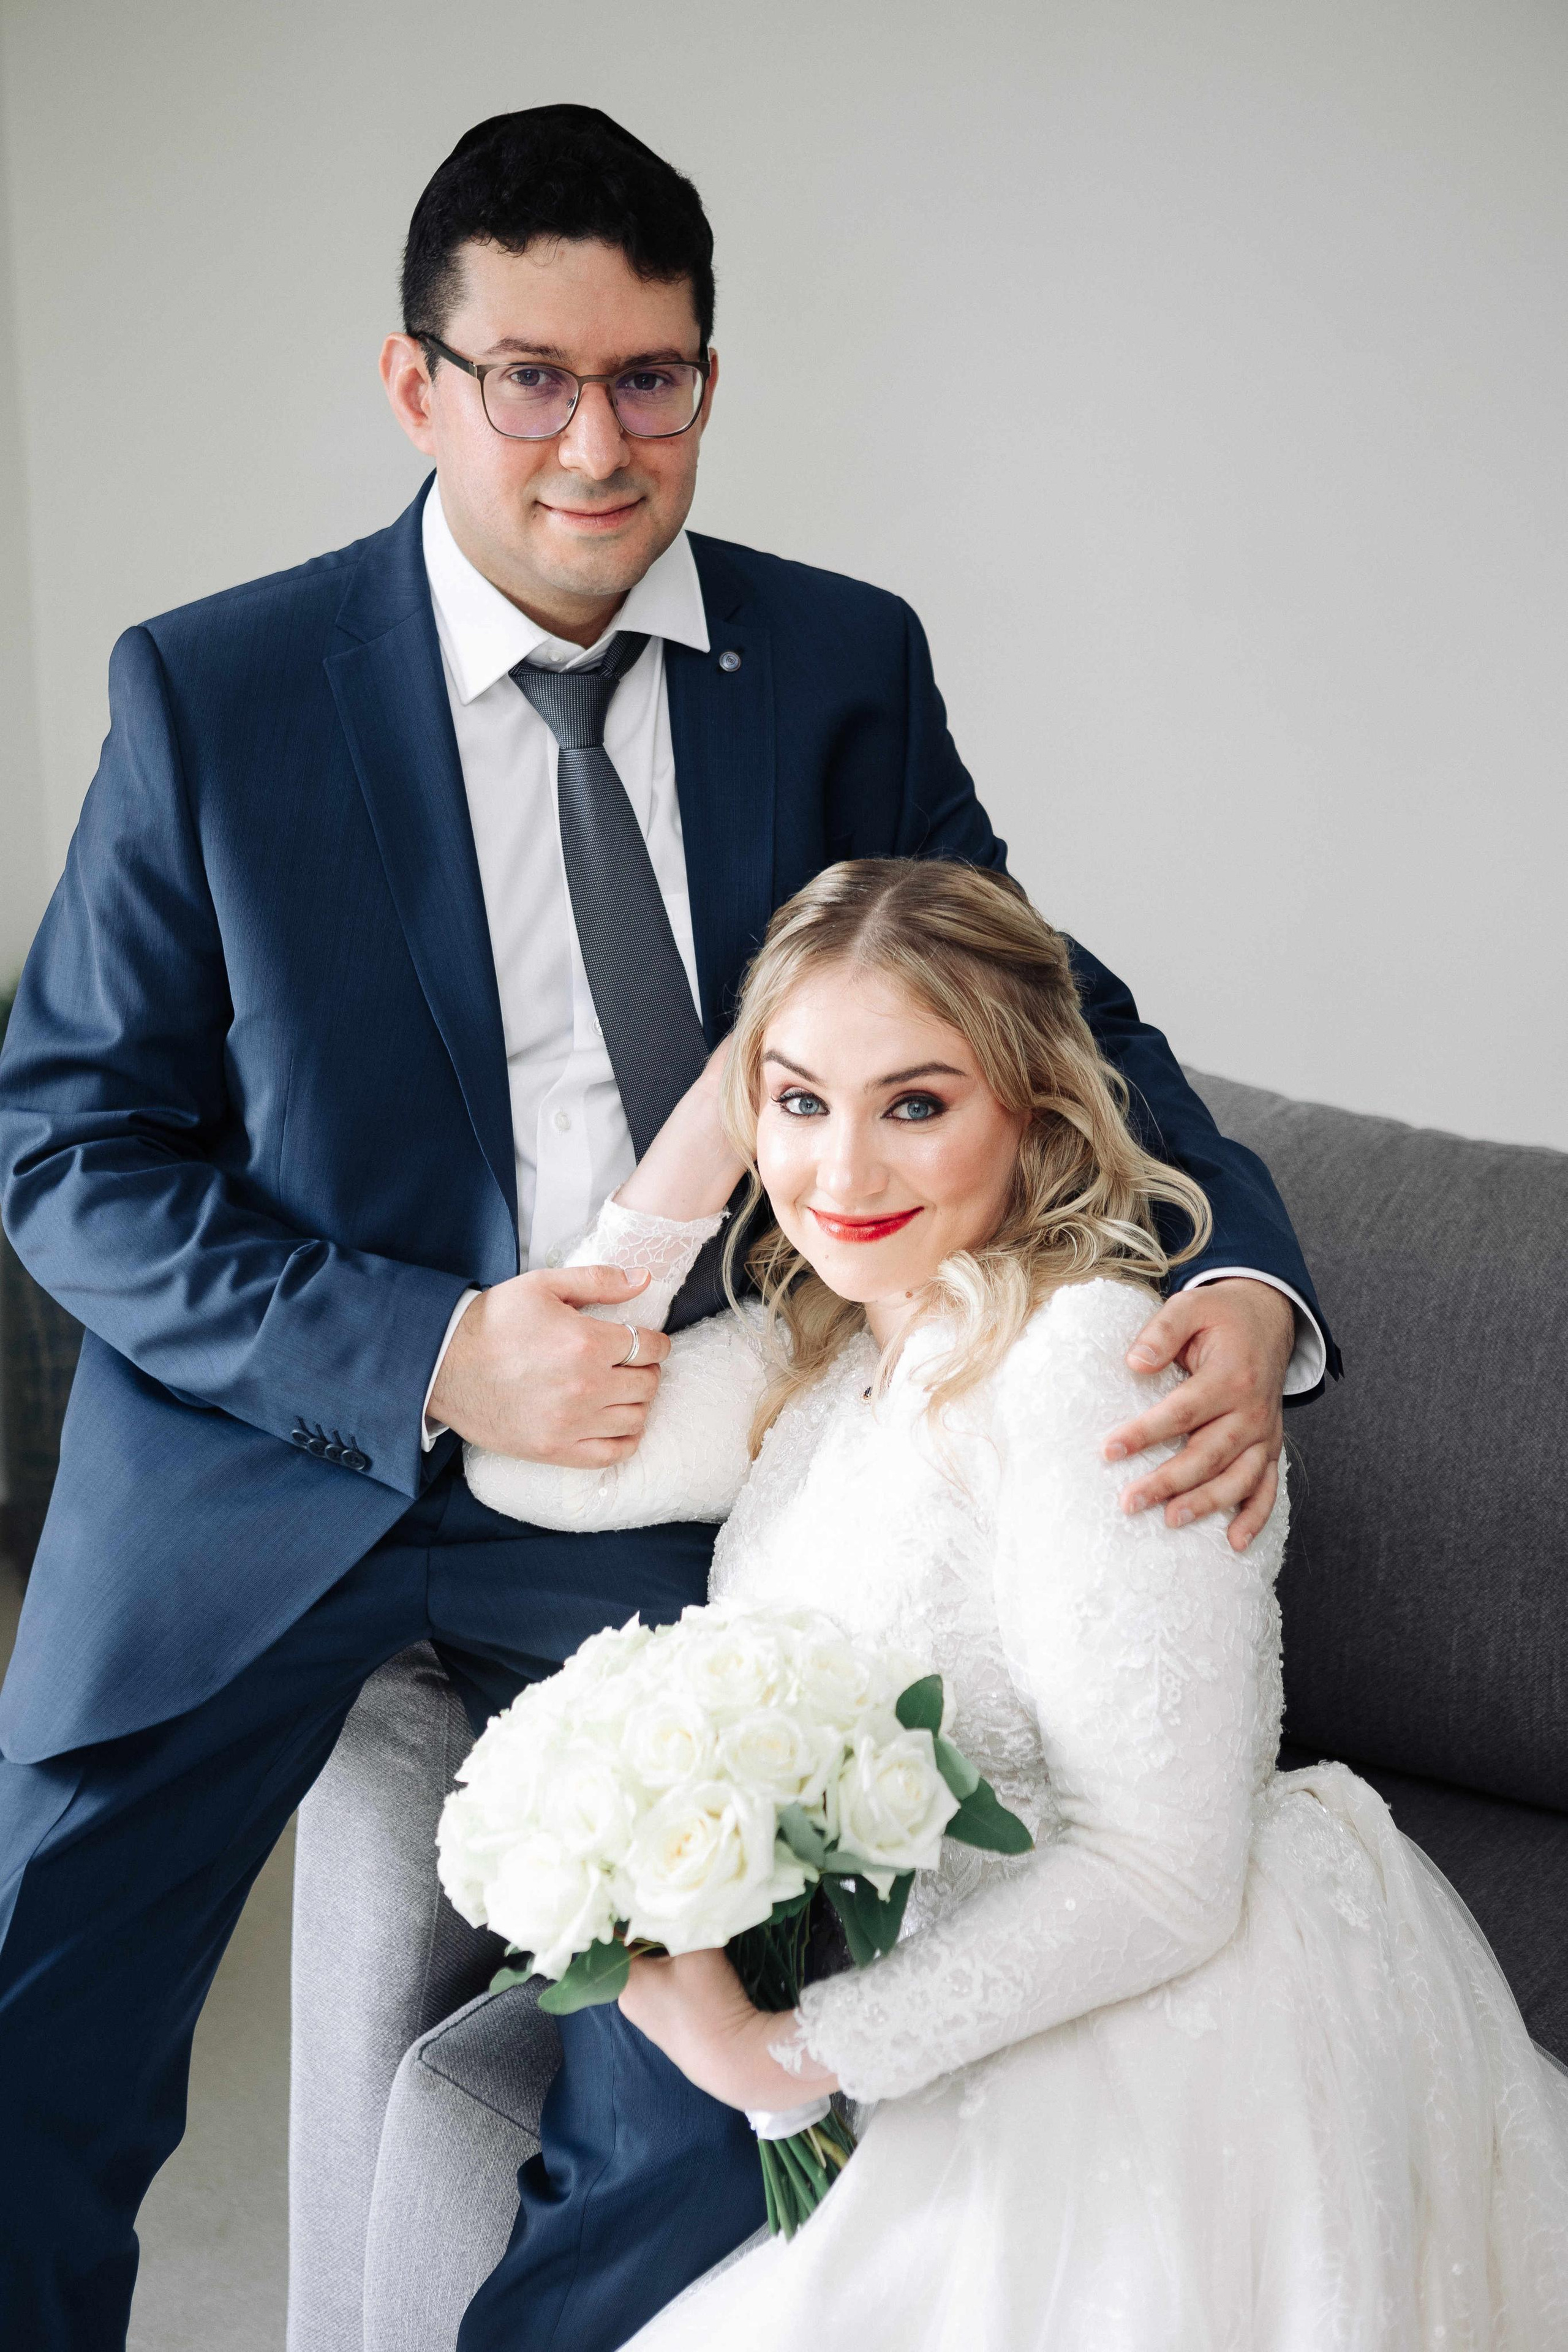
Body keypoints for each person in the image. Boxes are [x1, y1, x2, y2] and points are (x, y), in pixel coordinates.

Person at [0, 107, 1336, 2352]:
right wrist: (429, 1350)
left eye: (653, 378)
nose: (596, 441)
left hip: (671, 1466)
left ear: (708, 376)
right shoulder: (210, 694)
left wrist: (1247, 1277)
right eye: (531, 373)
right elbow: (67, 1149)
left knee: (709, 2055)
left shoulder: (840, 669)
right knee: (28, 2026)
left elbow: (1055, 1011)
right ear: (418, 383)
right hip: (262, 1460)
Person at [476, 857, 1568, 2351]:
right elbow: (527, 1463)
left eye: (913, 1104)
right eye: (801, 1107)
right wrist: (723, 1106)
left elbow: (1166, 1874)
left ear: (1034, 1117)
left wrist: (789, 2053)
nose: (843, 1178)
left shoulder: (1085, 1369)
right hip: (962, 2014)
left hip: (1145, 2035)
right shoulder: (818, 1346)